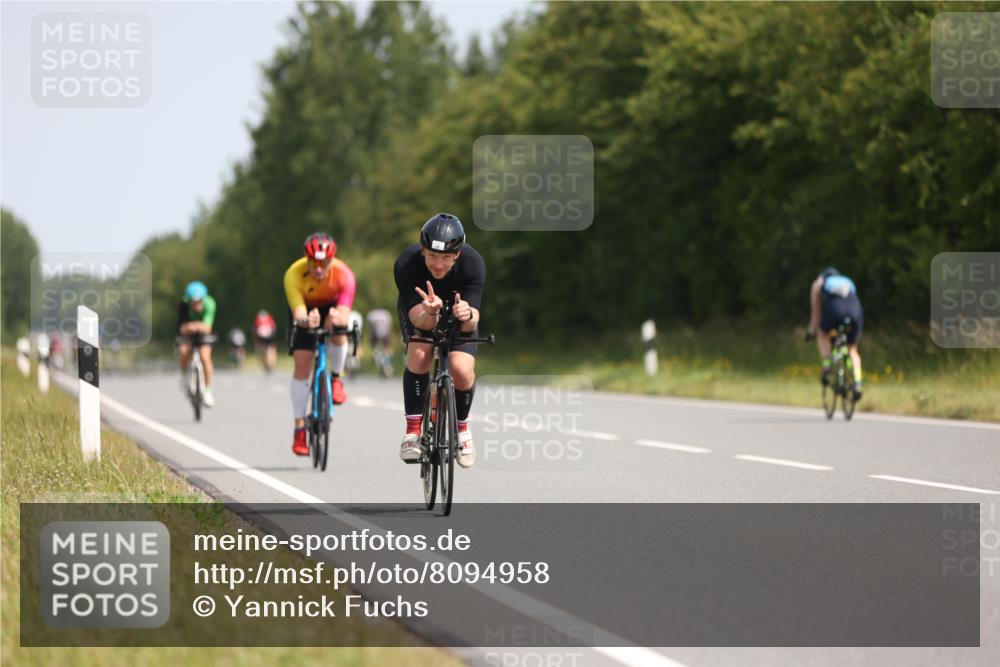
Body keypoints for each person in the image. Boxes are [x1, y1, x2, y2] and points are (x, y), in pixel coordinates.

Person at [394, 213, 484, 468]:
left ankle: (463, 430)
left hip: (459, 314)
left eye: (446, 258)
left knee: (462, 370)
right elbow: (418, 320)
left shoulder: (473, 263)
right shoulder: (407, 264)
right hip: (421, 312)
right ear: (422, 250)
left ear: (457, 254)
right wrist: (430, 311)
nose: (439, 265)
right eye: (432, 256)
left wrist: (466, 315)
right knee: (420, 354)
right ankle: (413, 431)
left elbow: (473, 321)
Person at [284, 232, 356, 456]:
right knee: (302, 364)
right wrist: (306, 321)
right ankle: (299, 430)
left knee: (338, 328)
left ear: (331, 260)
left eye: (323, 264)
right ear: (307, 259)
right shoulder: (293, 275)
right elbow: (298, 313)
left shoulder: (344, 275)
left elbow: (344, 313)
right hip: (305, 310)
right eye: (313, 263)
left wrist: (336, 318)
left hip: (332, 307)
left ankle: (336, 378)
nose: (317, 269)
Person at [807, 267, 864, 399]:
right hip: (855, 312)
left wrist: (811, 331)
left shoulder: (819, 283)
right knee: (852, 349)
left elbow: (816, 314)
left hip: (835, 310)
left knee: (822, 334)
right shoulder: (847, 280)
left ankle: (827, 366)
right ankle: (857, 383)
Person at [178, 280, 217, 407]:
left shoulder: (210, 304)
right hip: (188, 334)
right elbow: (182, 328)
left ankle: (207, 391)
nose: (196, 305)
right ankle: (184, 375)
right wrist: (189, 327)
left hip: (203, 334)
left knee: (205, 356)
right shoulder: (183, 305)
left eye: (199, 301)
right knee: (184, 352)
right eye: (193, 302)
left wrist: (198, 326)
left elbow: (208, 326)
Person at [366, 307, 394, 376]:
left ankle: (374, 354)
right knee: (387, 347)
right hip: (385, 333)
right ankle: (389, 363)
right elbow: (390, 326)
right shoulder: (387, 314)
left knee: (373, 345)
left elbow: (370, 328)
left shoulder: (371, 314)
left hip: (375, 332)